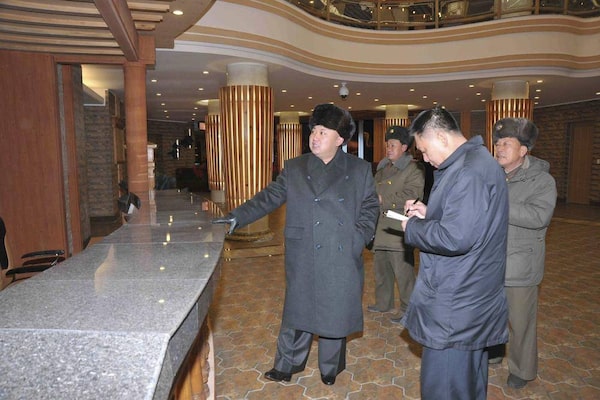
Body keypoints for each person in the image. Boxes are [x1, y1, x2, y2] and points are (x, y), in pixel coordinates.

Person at [212, 103, 379, 385]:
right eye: (314, 131)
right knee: (298, 309)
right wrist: (235, 217)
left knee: (334, 311)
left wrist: (358, 237)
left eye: (323, 132)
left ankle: (330, 367)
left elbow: (370, 207)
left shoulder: (359, 169)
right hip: (304, 252)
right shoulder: (295, 167)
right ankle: (286, 364)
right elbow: (268, 197)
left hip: (340, 251)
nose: (315, 137)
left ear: (339, 139)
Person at [399, 107, 509, 400]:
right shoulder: (476, 162)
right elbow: (469, 222)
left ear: (441, 137)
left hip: (456, 303)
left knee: (445, 387)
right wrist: (429, 213)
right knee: (466, 384)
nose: (425, 158)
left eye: (424, 149)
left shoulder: (467, 172)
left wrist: (413, 227)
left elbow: (456, 237)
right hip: (470, 298)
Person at [488, 118, 557, 389]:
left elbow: (539, 217)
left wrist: (500, 202)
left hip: (520, 263)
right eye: (497, 143)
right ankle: (493, 352)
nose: (499, 148)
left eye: (506, 143)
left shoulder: (541, 180)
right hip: (490, 260)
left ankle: (522, 369)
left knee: (520, 322)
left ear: (524, 150)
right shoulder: (493, 176)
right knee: (492, 314)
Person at [367, 126, 424, 325]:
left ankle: (409, 309)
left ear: (404, 147)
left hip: (399, 227)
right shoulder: (383, 169)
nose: (388, 148)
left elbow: (413, 195)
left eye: (393, 145)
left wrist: (384, 199)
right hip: (381, 227)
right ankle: (384, 302)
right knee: (381, 270)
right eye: (387, 145)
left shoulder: (413, 169)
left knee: (404, 274)